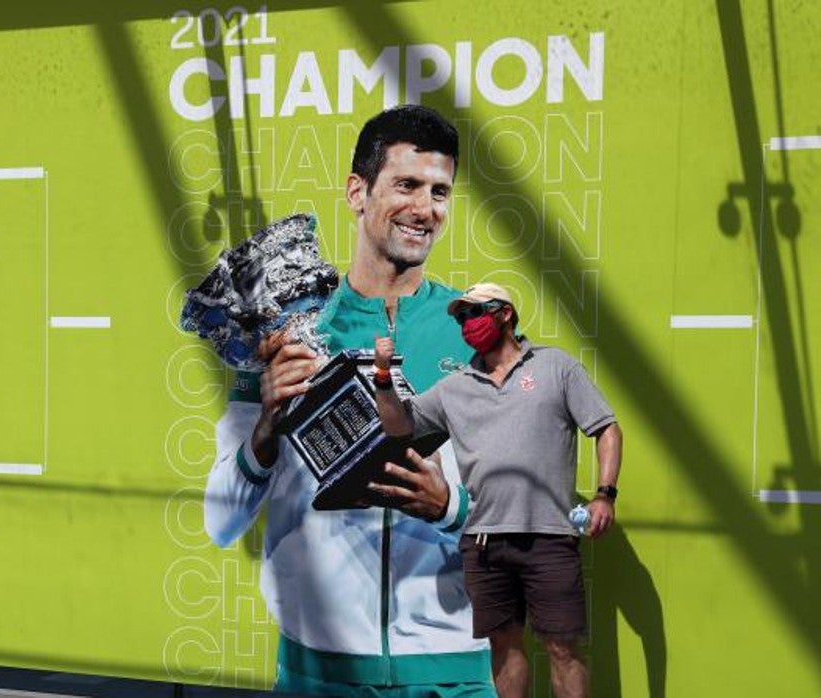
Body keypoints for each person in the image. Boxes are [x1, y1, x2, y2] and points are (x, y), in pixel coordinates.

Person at [204, 105, 495, 696]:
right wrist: (264, 432)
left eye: (439, 191)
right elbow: (220, 521)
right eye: (406, 185)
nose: (425, 208)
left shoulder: (475, 335)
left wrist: (449, 507)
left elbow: (524, 507)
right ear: (357, 192)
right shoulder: (285, 334)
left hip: (452, 673)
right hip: (320, 672)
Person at [370, 282, 623, 698]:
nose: (467, 323)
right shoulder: (455, 386)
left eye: (475, 313)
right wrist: (382, 376)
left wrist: (604, 495)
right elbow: (399, 425)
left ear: (505, 313)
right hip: (483, 542)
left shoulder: (556, 367)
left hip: (549, 538)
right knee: (503, 646)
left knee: (562, 649)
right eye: (461, 317)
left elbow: (606, 428)